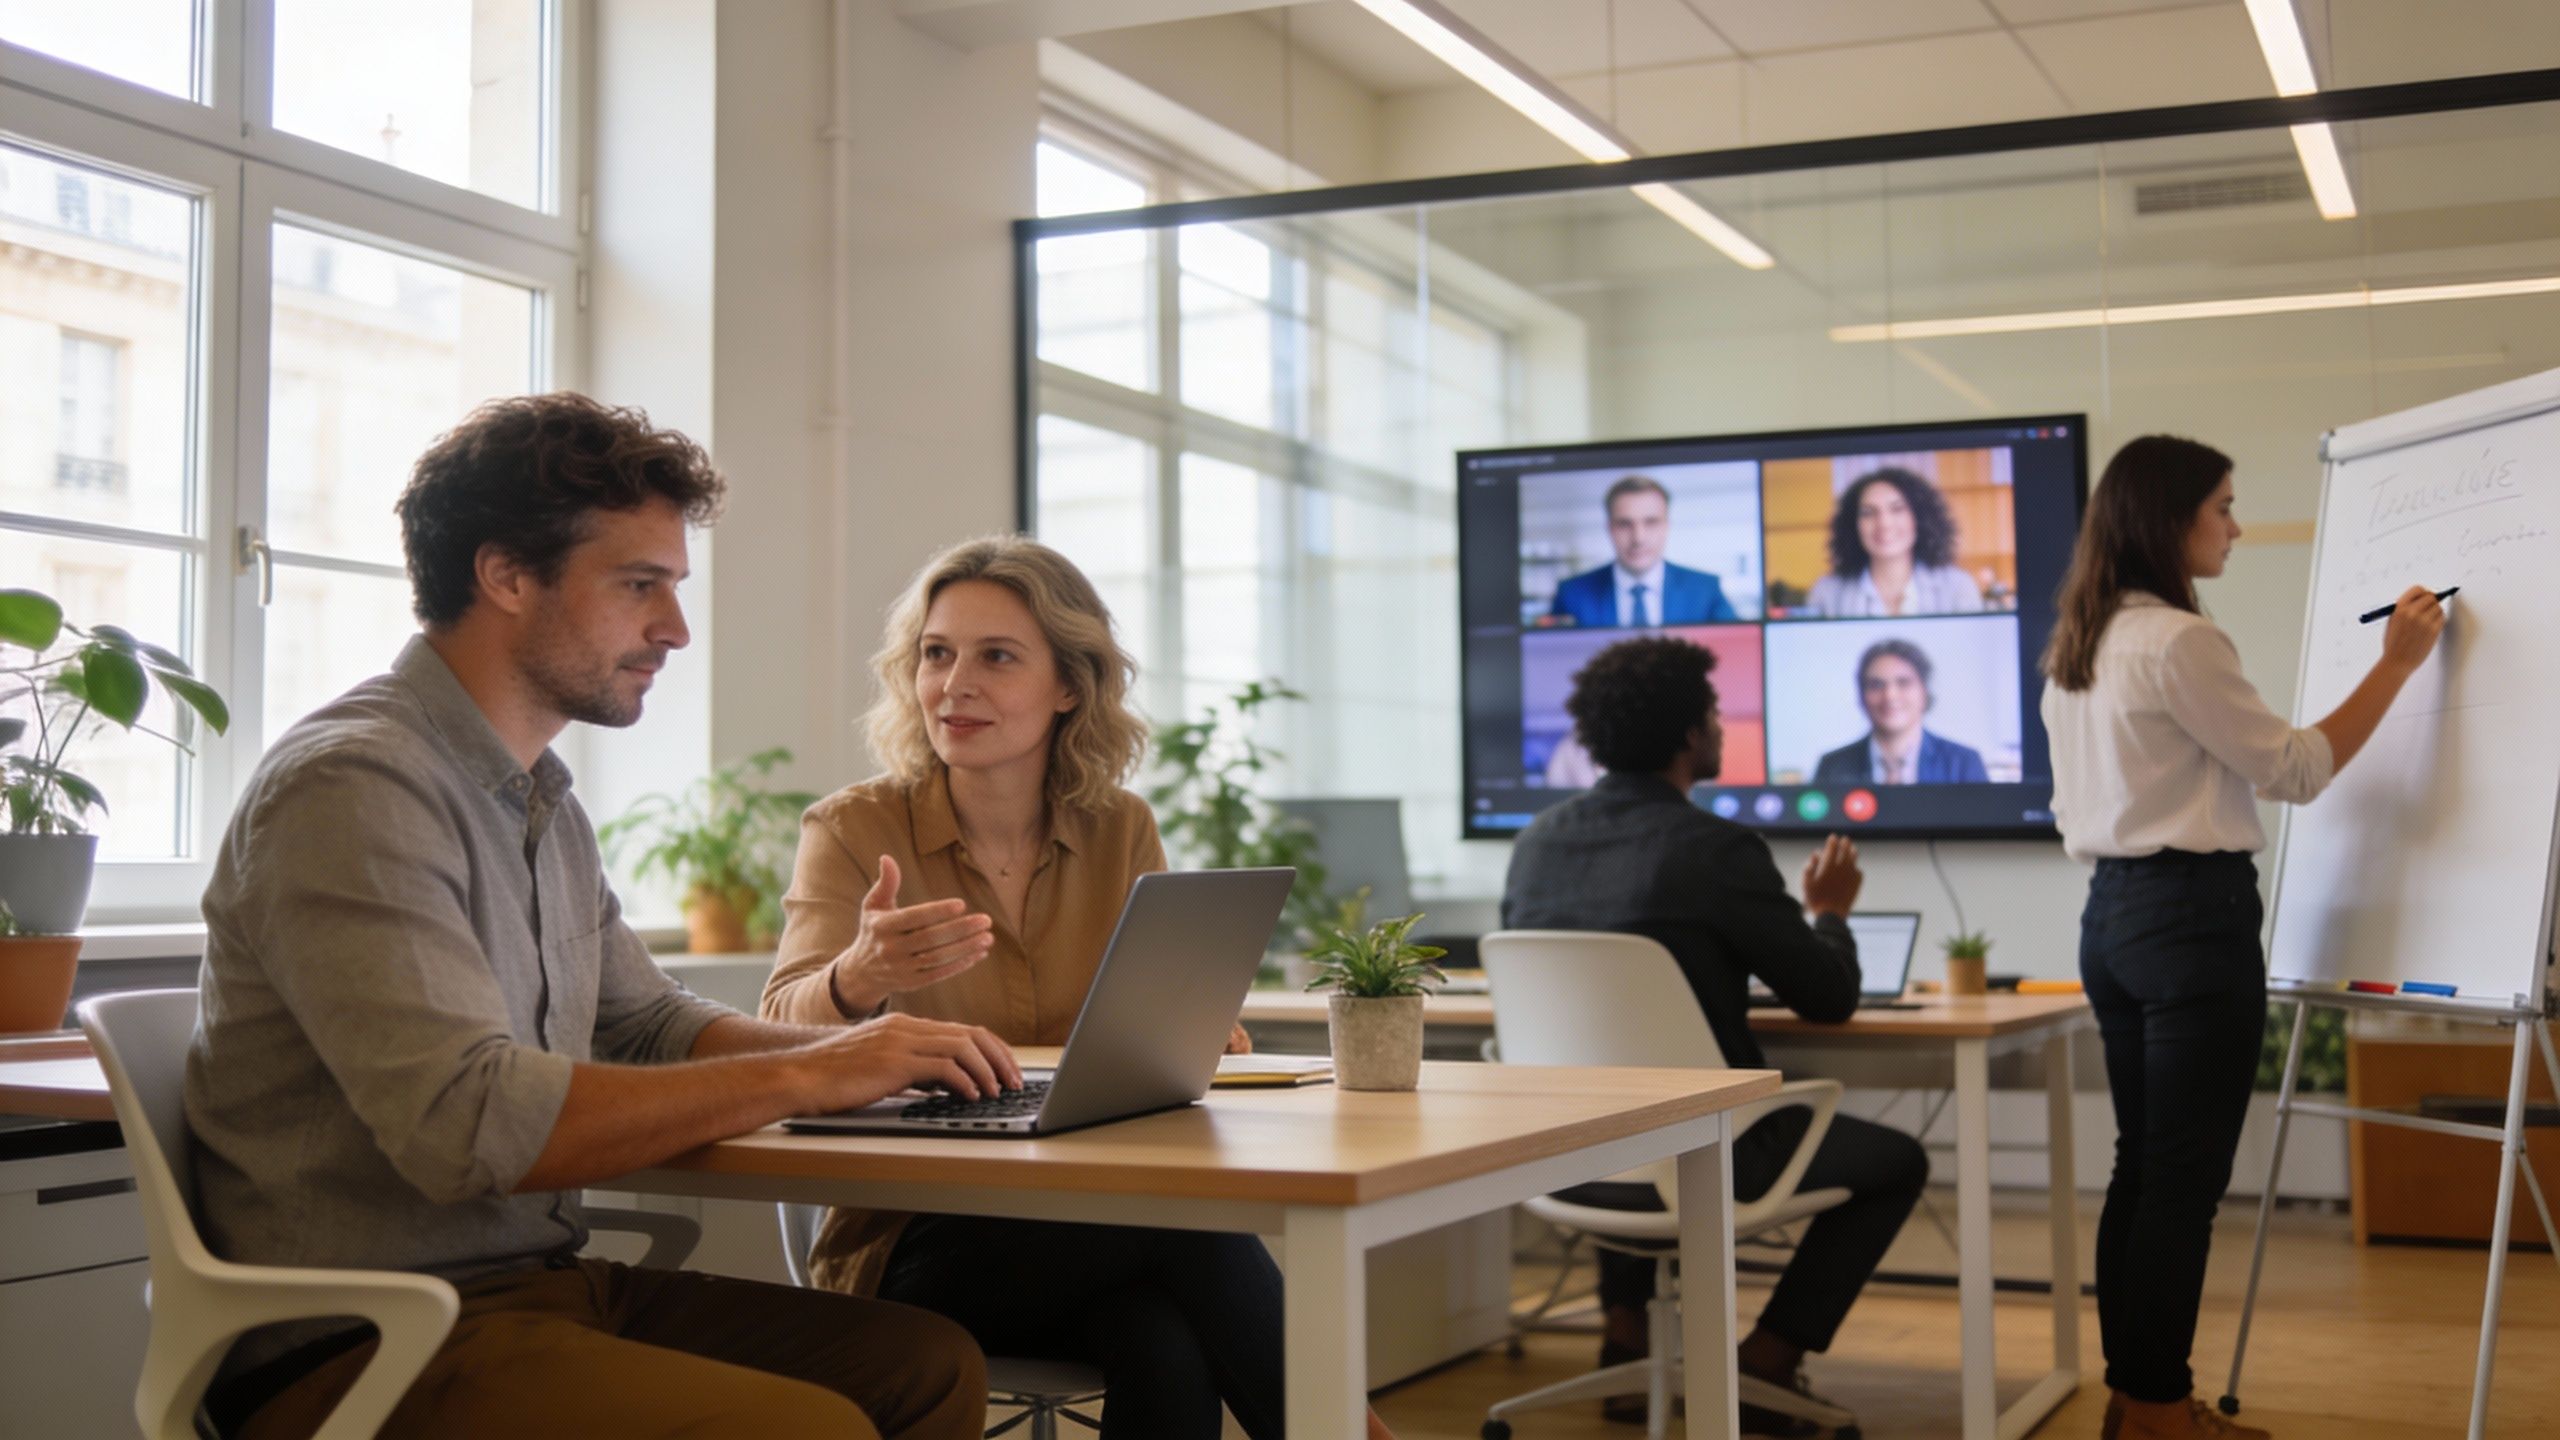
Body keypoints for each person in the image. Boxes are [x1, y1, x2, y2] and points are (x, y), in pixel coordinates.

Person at [186, 393, 1013, 1440]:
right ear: (506, 576)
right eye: (640, 586)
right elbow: (468, 1125)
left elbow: (648, 1025)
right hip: (363, 1340)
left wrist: (874, 1053)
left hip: (539, 1287)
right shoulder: (355, 787)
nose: (673, 628)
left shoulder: (538, 797)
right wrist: (811, 1070)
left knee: (928, 1364)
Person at [761, 535, 1395, 1440]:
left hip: (1096, 1218)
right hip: (922, 1239)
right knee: (1183, 1228)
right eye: (936, 654)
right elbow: (777, 1025)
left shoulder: (1118, 827)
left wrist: (1191, 1032)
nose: (954, 684)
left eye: (997, 657)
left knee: (1164, 1339)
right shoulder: (854, 827)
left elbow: (1138, 1036)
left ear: (1069, 686)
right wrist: (856, 979)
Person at [2041, 434, 2446, 1440]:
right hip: (2188, 923)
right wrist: (2395, 666)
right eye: (2222, 505)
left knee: (2145, 1169)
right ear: (2168, 518)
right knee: (2178, 1183)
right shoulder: (2179, 641)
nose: (2235, 524)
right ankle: (2156, 1411)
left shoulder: (2078, 646)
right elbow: (2297, 769)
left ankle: (2140, 1402)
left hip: (2112, 919)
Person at [1500, 635, 1928, 1433]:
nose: (1723, 725)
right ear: (1689, 735)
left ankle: (1624, 1343)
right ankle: (1768, 1358)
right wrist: (1829, 912)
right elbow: (1829, 997)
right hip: (1706, 1152)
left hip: (1566, 1156)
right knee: (1898, 1160)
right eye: (1714, 712)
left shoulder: (1536, 845)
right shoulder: (1718, 850)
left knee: (1620, 1106)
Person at [1548, 475, 1741, 626]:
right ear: (1610, 529)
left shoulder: (1706, 589)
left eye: (1651, 522)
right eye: (1624, 524)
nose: (1638, 538)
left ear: (1666, 527)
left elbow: (1737, 655)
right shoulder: (1572, 594)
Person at [1803, 466, 1988, 618]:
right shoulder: (1826, 593)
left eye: (1897, 509)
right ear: (1853, 526)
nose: (1884, 524)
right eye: (1868, 513)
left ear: (1919, 518)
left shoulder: (1958, 587)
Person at [1811, 638, 1992, 785]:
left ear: (1924, 692)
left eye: (1903, 683)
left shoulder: (1963, 763)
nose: (1890, 696)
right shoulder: (1833, 766)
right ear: (1862, 696)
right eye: (1876, 685)